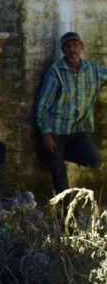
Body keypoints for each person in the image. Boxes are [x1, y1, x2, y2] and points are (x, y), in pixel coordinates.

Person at [35, 31, 107, 192]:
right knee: (59, 173)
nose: (72, 49)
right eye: (68, 46)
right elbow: (42, 105)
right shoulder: (56, 71)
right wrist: (46, 133)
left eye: (75, 45)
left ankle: (57, 155)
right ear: (63, 50)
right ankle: (67, 212)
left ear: (81, 47)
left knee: (94, 159)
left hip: (79, 130)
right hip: (56, 131)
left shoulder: (93, 70)